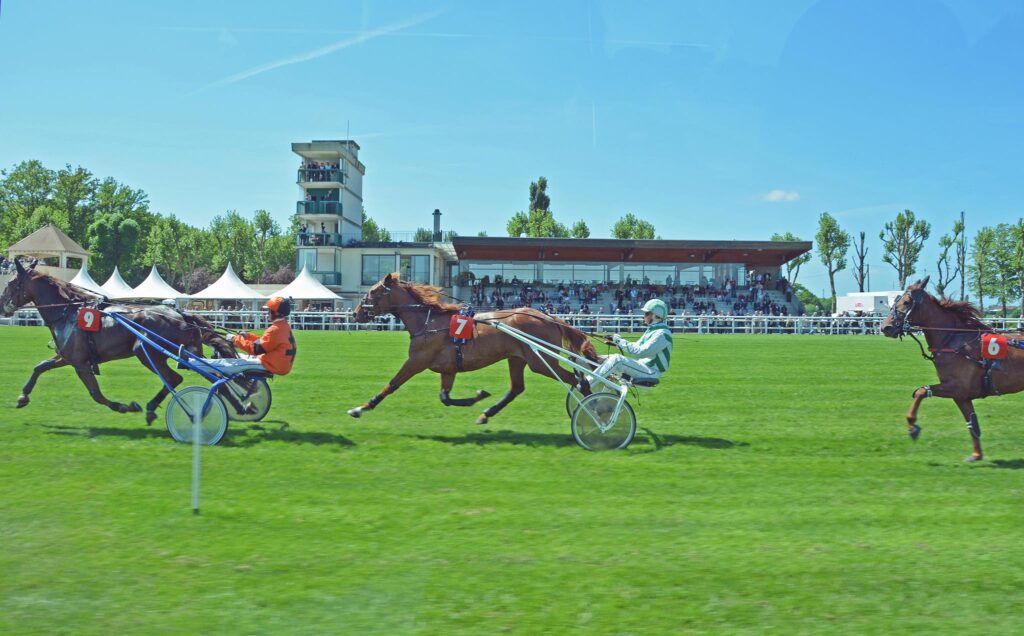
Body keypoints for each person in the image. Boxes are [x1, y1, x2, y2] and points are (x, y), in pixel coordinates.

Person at [587, 298, 672, 388]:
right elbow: (636, 346)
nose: (644, 316)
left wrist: (619, 341)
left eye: (647, 313)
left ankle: (587, 384)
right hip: (643, 367)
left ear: (657, 316)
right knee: (605, 358)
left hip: (651, 372)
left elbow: (640, 352)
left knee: (617, 359)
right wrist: (617, 341)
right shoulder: (653, 330)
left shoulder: (662, 334)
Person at [204, 296, 297, 377]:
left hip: (271, 364)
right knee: (236, 355)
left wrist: (235, 339)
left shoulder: (275, 329)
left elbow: (255, 349)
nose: (267, 313)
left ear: (275, 313)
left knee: (229, 363)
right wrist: (248, 336)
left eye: (269, 310)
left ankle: (196, 363)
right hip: (278, 364)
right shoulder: (283, 326)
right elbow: (264, 343)